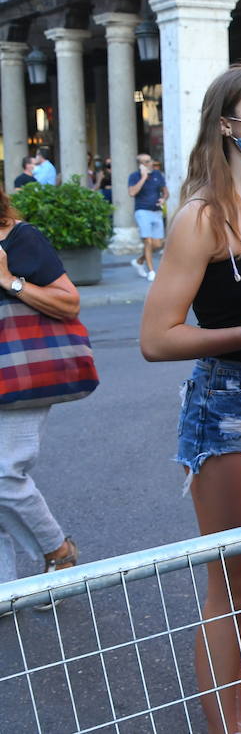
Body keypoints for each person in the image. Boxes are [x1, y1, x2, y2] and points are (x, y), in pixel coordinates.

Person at [139, 65, 241, 734]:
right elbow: (155, 337)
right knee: (234, 579)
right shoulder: (203, 216)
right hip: (227, 399)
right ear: (229, 123)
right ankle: (228, 726)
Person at [0, 186, 81, 595]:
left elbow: (69, 302)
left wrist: (8, 280)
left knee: (3, 475)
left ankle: (58, 549)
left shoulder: (20, 238)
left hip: (17, 374)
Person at [129, 153, 168, 282]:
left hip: (156, 211)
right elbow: (132, 192)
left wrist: (163, 199)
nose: (149, 163)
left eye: (149, 161)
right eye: (145, 162)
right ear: (139, 165)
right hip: (142, 211)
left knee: (157, 245)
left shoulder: (157, 175)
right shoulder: (134, 176)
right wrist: (144, 177)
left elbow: (165, 191)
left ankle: (139, 261)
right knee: (148, 241)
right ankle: (151, 271)